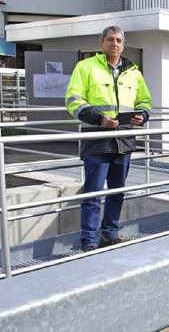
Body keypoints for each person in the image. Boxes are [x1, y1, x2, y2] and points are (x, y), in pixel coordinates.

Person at [65, 26, 152, 251]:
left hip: (123, 141)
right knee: (93, 194)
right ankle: (90, 240)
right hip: (97, 140)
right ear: (101, 43)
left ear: (123, 44)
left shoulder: (134, 71)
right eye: (111, 39)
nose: (115, 43)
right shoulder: (85, 67)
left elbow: (145, 100)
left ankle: (110, 233)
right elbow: (73, 100)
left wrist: (141, 115)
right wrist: (98, 118)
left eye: (119, 40)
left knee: (116, 192)